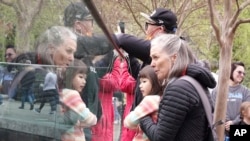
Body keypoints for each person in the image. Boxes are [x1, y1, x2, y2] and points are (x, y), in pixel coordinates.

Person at [138, 34, 216, 141]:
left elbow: (160, 138)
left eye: (156, 57)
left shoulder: (178, 88)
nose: (152, 64)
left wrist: (142, 116)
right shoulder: (194, 82)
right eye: (151, 58)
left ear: (174, 57)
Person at [115, 8, 178, 110]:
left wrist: (117, 38)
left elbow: (122, 40)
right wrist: (127, 54)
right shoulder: (154, 54)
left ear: (160, 29)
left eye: (148, 25)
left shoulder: (164, 49)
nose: (146, 29)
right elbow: (140, 75)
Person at [60, 59, 97, 141]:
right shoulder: (72, 95)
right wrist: (80, 122)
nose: (84, 81)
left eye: (85, 78)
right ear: (70, 76)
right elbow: (90, 119)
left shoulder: (62, 92)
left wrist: (78, 121)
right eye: (80, 77)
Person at [124, 65, 162, 141]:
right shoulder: (161, 99)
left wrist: (138, 119)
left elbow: (128, 122)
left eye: (144, 81)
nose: (140, 86)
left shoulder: (150, 100)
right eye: (140, 82)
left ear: (155, 82)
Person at [212, 61, 250, 136]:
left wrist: (234, 122)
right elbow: (214, 108)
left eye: (243, 73)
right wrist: (226, 123)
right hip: (220, 129)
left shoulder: (246, 91)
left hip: (240, 130)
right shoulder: (218, 90)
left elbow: (247, 110)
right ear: (231, 71)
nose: (242, 75)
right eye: (239, 72)